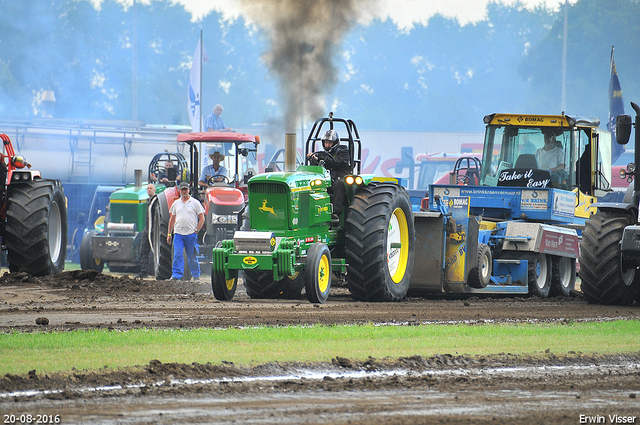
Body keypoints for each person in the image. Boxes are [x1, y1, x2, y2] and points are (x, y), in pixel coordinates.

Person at [306, 129, 351, 220]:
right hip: (326, 180)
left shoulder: (344, 152)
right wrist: (313, 159)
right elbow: (316, 167)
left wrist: (318, 158)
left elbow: (335, 162)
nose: (327, 145)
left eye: (330, 143)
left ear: (335, 143)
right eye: (326, 142)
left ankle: (336, 213)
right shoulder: (322, 154)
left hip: (340, 180)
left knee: (339, 183)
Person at [167, 182, 205, 282]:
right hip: (178, 234)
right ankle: (176, 275)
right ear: (180, 191)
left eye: (186, 189)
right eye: (182, 190)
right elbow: (172, 219)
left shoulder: (195, 203)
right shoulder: (176, 203)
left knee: (192, 256)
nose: (184, 191)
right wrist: (169, 234)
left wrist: (196, 230)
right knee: (178, 254)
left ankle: (196, 276)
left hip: (190, 234)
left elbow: (202, 218)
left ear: (189, 190)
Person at [136, 183, 156, 278]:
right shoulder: (148, 201)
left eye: (151, 188)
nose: (149, 190)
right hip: (147, 228)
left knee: (154, 250)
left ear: (154, 190)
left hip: (154, 229)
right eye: (147, 188)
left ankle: (157, 271)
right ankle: (144, 271)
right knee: (143, 249)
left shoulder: (156, 201)